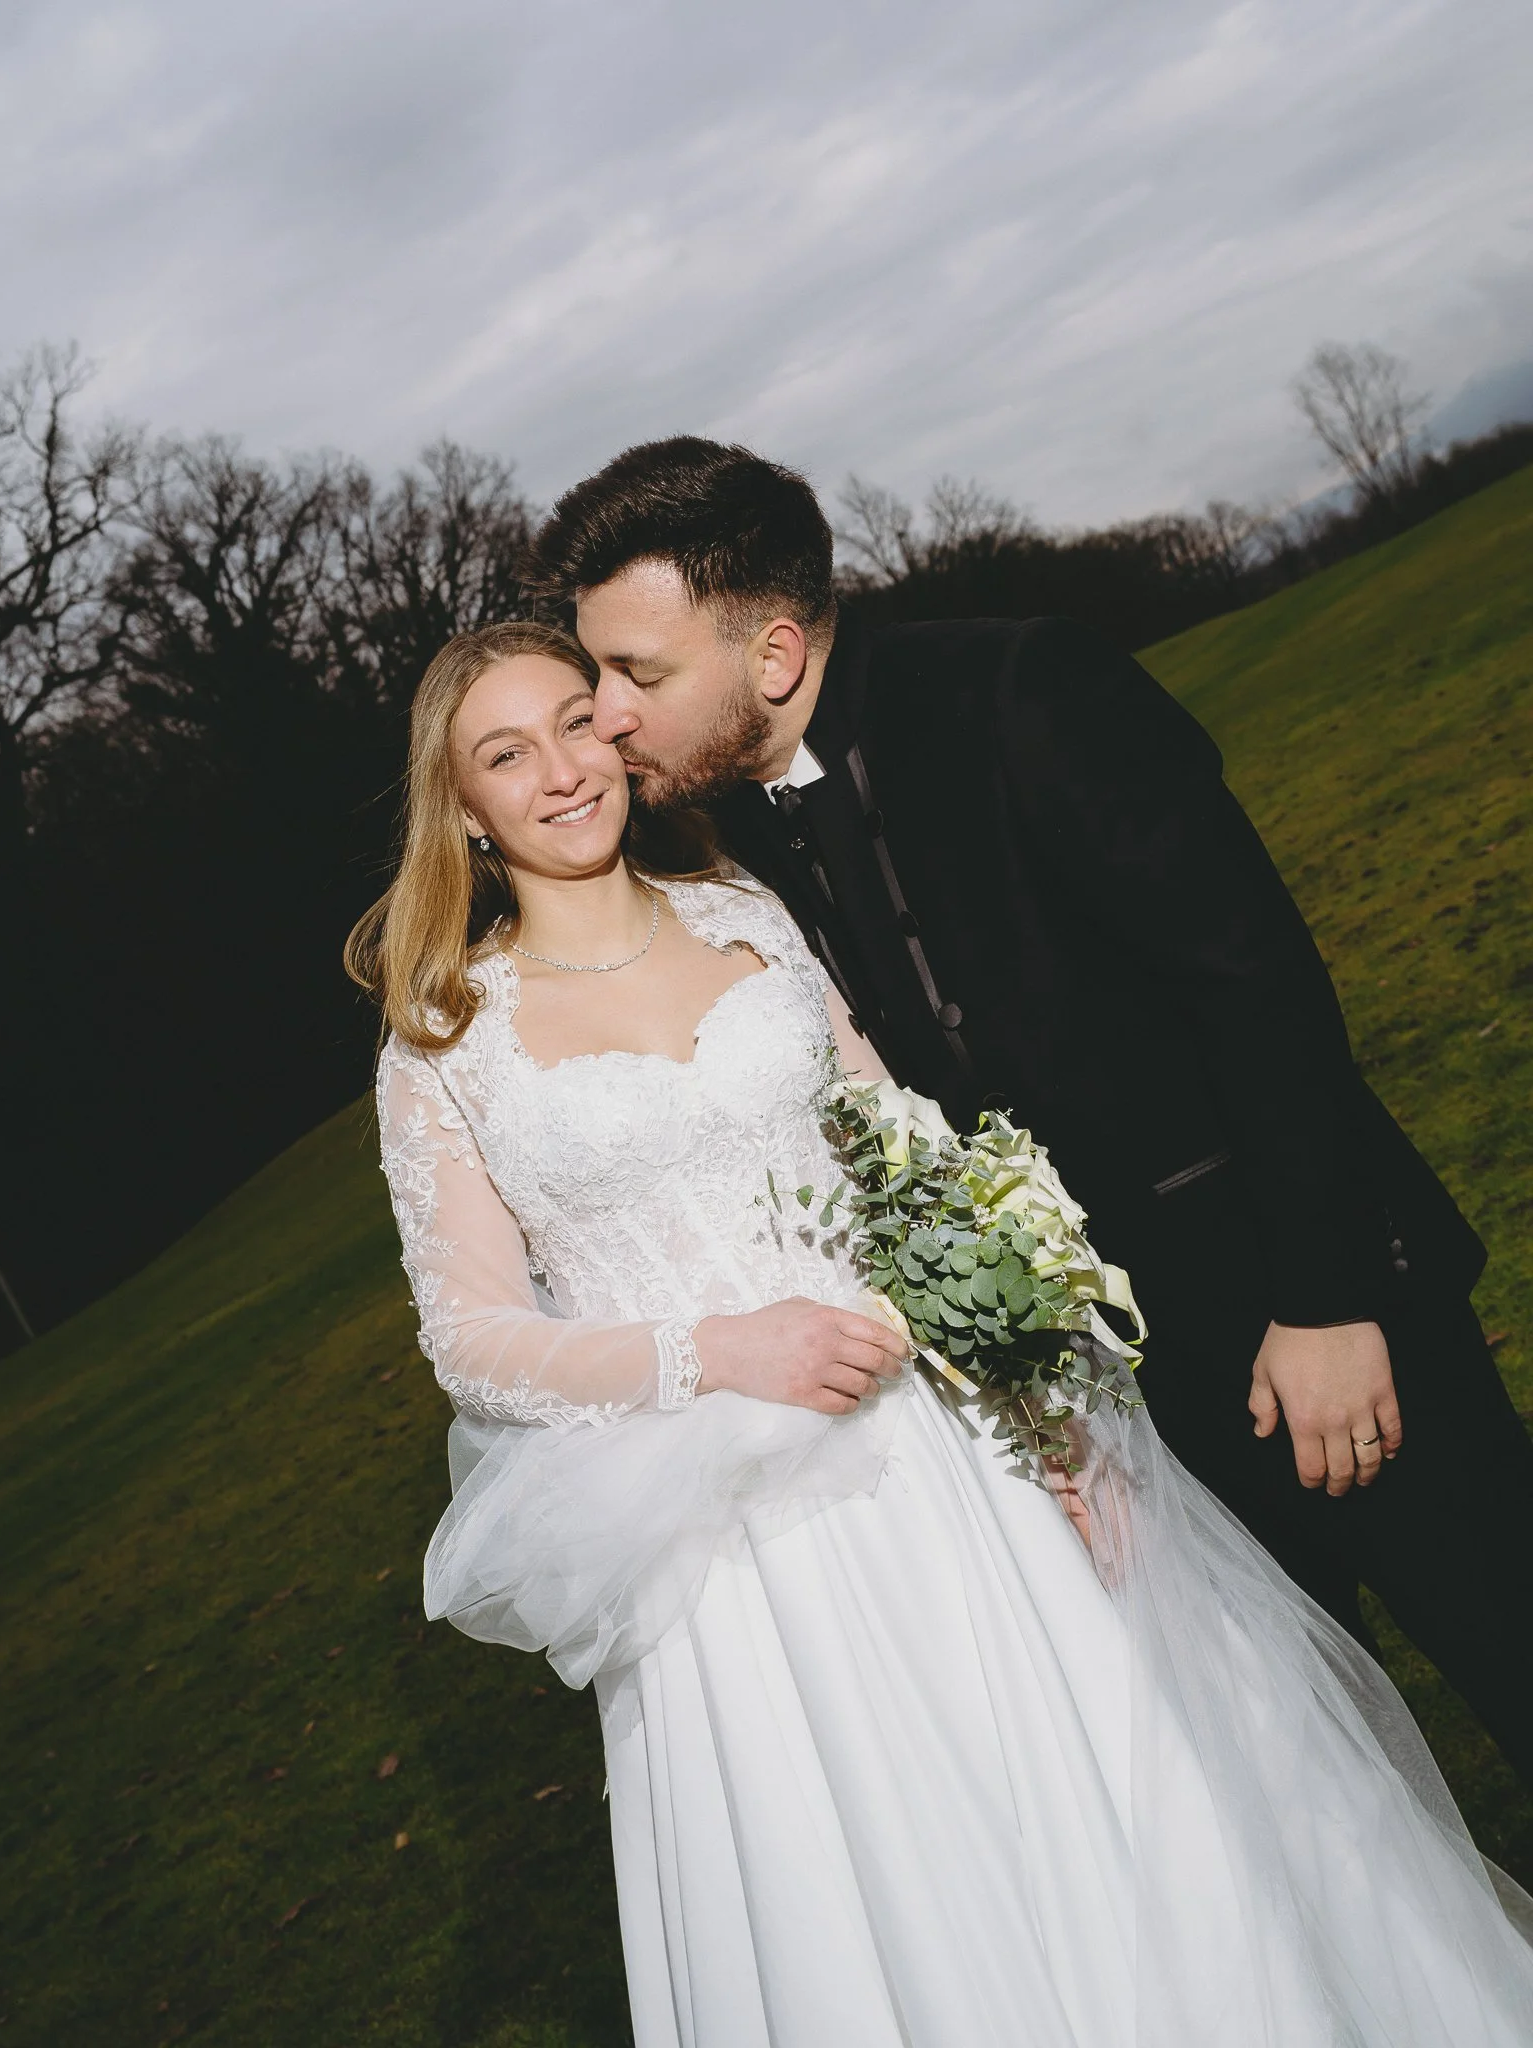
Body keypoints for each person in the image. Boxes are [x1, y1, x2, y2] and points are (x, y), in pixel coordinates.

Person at [352, 619, 1533, 2047]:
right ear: (463, 811)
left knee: (1133, 1821)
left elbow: (915, 1167)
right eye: (503, 754)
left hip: (947, 1463)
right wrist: (713, 1351)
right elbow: (471, 1338)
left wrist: (1056, 1419)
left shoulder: (746, 917)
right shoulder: (448, 1034)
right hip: (736, 1568)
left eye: (573, 723)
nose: (558, 771)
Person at [530, 435, 1533, 1788]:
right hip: (1120, 1400)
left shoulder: (1021, 690)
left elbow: (1257, 988)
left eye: (637, 674)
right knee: (1313, 1781)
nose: (609, 714)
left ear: (771, 656)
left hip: (1313, 1308)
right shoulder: (728, 839)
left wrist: (1328, 1300)